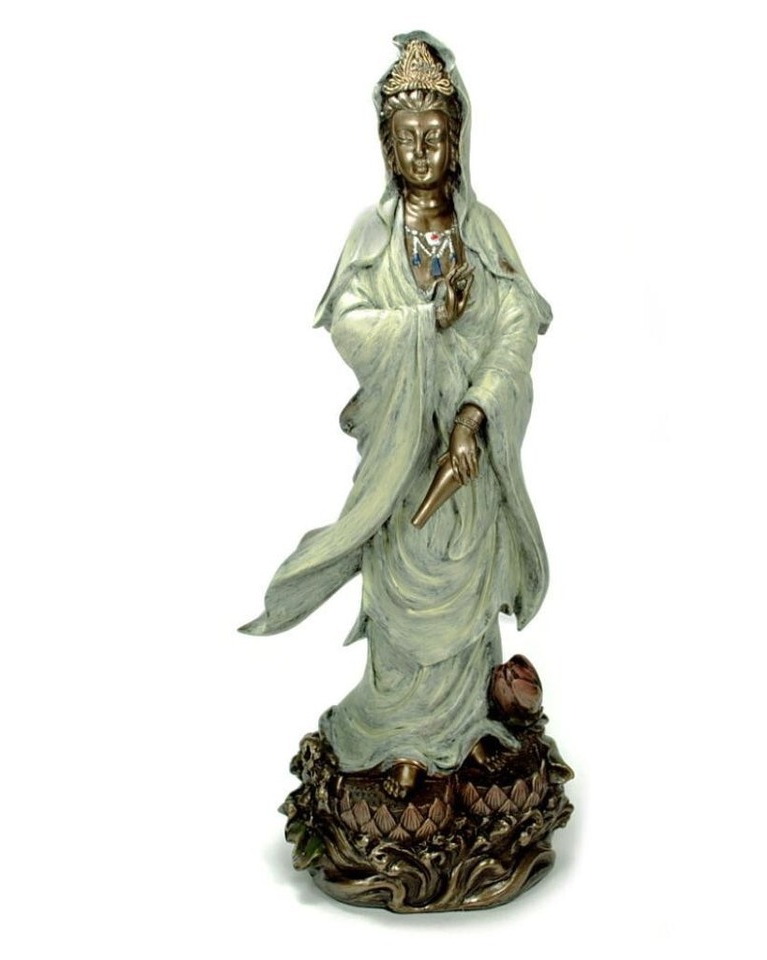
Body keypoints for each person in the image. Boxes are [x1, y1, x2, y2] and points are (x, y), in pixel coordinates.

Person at [241, 32, 551, 798]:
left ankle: (461, 730)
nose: (421, 152)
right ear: (387, 144)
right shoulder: (372, 236)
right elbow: (348, 322)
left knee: (463, 588)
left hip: (466, 463)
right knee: (401, 586)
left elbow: (517, 327)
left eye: (434, 136)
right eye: (406, 137)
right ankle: (394, 733)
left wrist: (474, 413)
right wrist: (424, 323)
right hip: (403, 455)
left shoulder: (482, 234)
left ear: (458, 142)